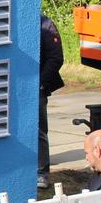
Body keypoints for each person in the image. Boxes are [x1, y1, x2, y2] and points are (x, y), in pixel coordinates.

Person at [39, 13, 66, 189]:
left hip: (37, 87)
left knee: (39, 130)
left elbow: (56, 58)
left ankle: (41, 173)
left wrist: (40, 82)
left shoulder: (46, 25)